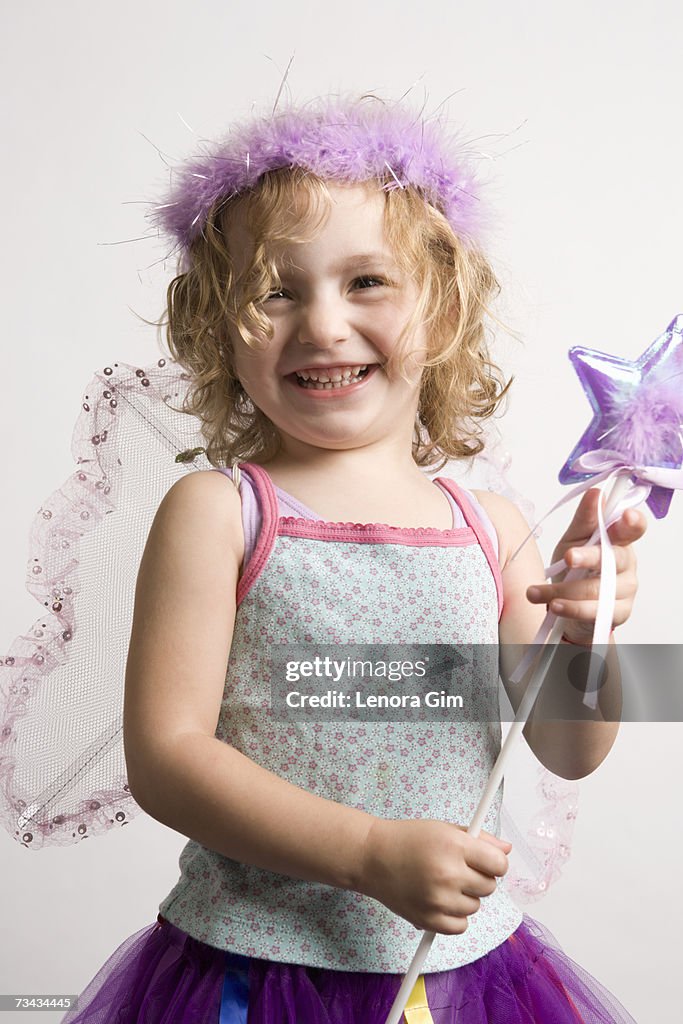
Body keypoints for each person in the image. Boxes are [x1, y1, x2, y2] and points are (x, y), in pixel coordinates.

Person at [62, 95, 645, 1023]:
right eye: (275, 291)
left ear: (443, 306)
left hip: (455, 984)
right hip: (252, 973)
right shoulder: (221, 515)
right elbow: (166, 757)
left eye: (366, 281)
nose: (323, 326)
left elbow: (568, 750)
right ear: (220, 324)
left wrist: (582, 635)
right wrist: (367, 851)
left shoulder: (491, 527)